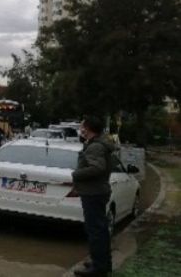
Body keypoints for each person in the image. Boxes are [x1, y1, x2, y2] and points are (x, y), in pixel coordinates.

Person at [72, 117, 115, 277]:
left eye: (82, 126)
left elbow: (97, 168)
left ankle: (99, 267)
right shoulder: (96, 144)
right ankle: (102, 262)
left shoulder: (95, 147)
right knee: (100, 229)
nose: (80, 128)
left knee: (95, 230)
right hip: (96, 191)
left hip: (93, 193)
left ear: (88, 128)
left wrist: (76, 174)